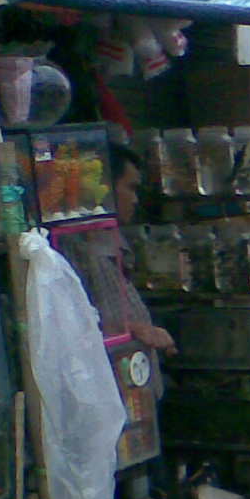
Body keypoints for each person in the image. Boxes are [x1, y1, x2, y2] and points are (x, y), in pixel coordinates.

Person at [71, 145, 177, 358]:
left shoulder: (112, 243)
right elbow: (72, 328)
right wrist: (130, 330)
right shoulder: (75, 250)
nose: (135, 199)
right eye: (131, 188)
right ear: (105, 187)